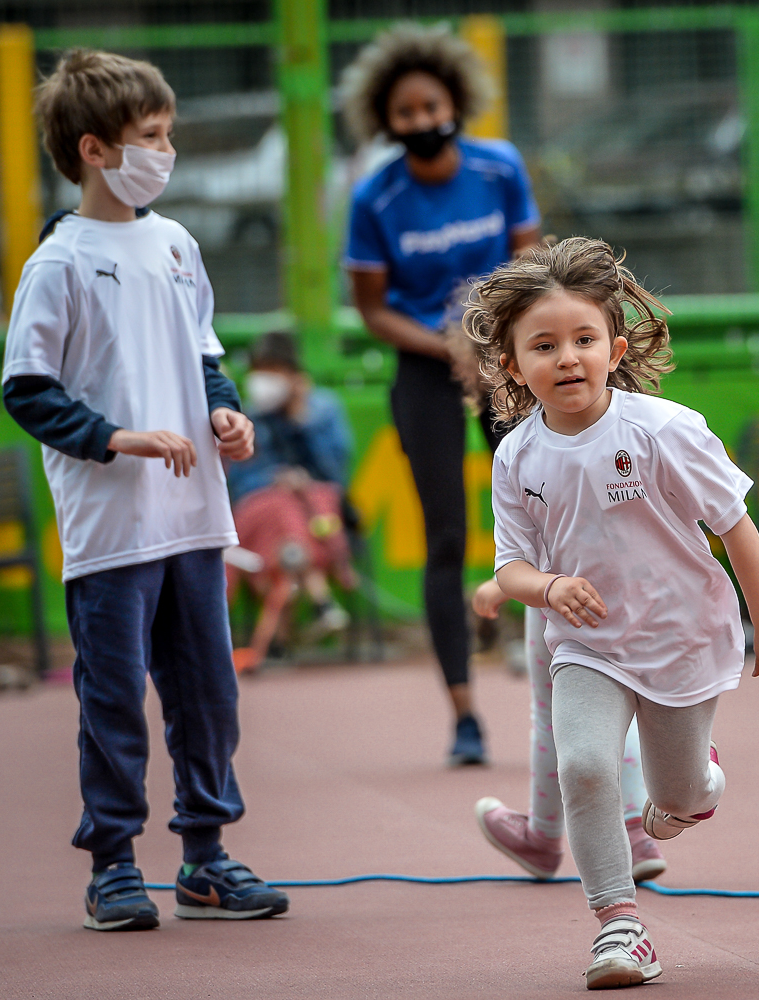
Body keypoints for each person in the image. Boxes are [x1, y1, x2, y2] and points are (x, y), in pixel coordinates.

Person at [468, 238, 759, 989]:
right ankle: (619, 927)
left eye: (584, 340)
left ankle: (696, 791)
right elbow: (510, 567)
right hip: (588, 647)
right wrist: (550, 590)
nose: (567, 358)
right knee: (585, 765)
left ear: (615, 347)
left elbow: (734, 525)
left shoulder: (665, 430)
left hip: (684, 639)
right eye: (544, 345)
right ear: (514, 365)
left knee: (679, 794)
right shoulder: (517, 457)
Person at [0, 49, 288, 930]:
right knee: (114, 698)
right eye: (151, 137)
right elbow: (28, 389)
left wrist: (227, 416)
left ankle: (205, 859)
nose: (166, 152)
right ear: (94, 148)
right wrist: (117, 438)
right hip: (110, 531)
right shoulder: (59, 261)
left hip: (195, 520)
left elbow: (206, 358)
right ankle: (114, 866)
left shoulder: (175, 244)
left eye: (167, 135)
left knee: (208, 695)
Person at [340, 23, 544, 766]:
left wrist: (493, 339)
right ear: (385, 123)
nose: (422, 121)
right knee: (447, 538)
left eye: (432, 106)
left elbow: (533, 261)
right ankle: (464, 713)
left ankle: (557, 671)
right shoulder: (376, 197)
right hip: (427, 369)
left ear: (457, 102)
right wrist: (446, 345)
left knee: (543, 515)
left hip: (507, 360)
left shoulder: (499, 168)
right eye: (405, 113)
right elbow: (372, 309)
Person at [470, 590, 668, 883]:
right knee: (621, 698)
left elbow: (533, 547)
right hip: (623, 590)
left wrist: (505, 583)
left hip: (557, 592)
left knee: (552, 713)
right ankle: (638, 836)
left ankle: (542, 838)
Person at [224, 331, 357, 672]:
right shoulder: (247, 415)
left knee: (303, 502)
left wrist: (301, 421)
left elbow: (335, 475)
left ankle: (278, 638)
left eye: (273, 369)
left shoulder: (323, 410)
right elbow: (239, 480)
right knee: (281, 506)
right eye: (259, 369)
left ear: (294, 374)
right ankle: (320, 598)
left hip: (318, 511)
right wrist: (276, 480)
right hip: (265, 510)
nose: (264, 377)